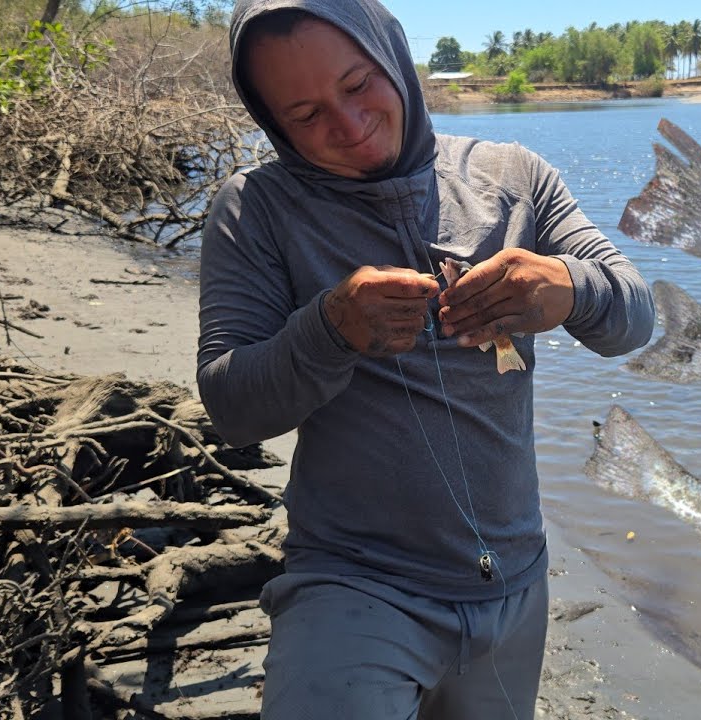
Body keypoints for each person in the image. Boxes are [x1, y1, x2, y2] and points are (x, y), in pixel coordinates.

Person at [194, 0, 655, 717]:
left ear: (394, 59)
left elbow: (635, 317)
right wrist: (329, 329)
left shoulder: (513, 176)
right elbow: (230, 407)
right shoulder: (256, 210)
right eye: (306, 114)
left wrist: (568, 288)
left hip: (515, 585)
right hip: (352, 586)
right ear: (272, 123)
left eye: (356, 85)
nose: (347, 125)